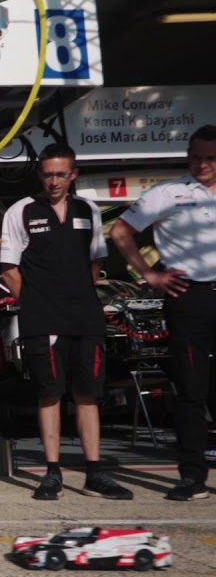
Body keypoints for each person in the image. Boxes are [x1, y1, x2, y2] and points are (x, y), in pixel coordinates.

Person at [0, 144, 133, 502]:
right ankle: (52, 473)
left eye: (61, 174)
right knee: (50, 393)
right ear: (39, 175)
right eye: (47, 174)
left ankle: (95, 472)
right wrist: (36, 303)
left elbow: (96, 261)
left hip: (85, 315)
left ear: (73, 175)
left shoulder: (88, 209)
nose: (54, 181)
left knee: (89, 393)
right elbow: (9, 269)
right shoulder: (21, 210)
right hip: (42, 318)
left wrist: (79, 297)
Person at [111, 125, 216, 502]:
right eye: (196, 157)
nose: (202, 164)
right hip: (188, 295)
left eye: (211, 158)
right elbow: (120, 231)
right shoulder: (167, 193)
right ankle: (192, 476)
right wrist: (149, 273)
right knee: (190, 389)